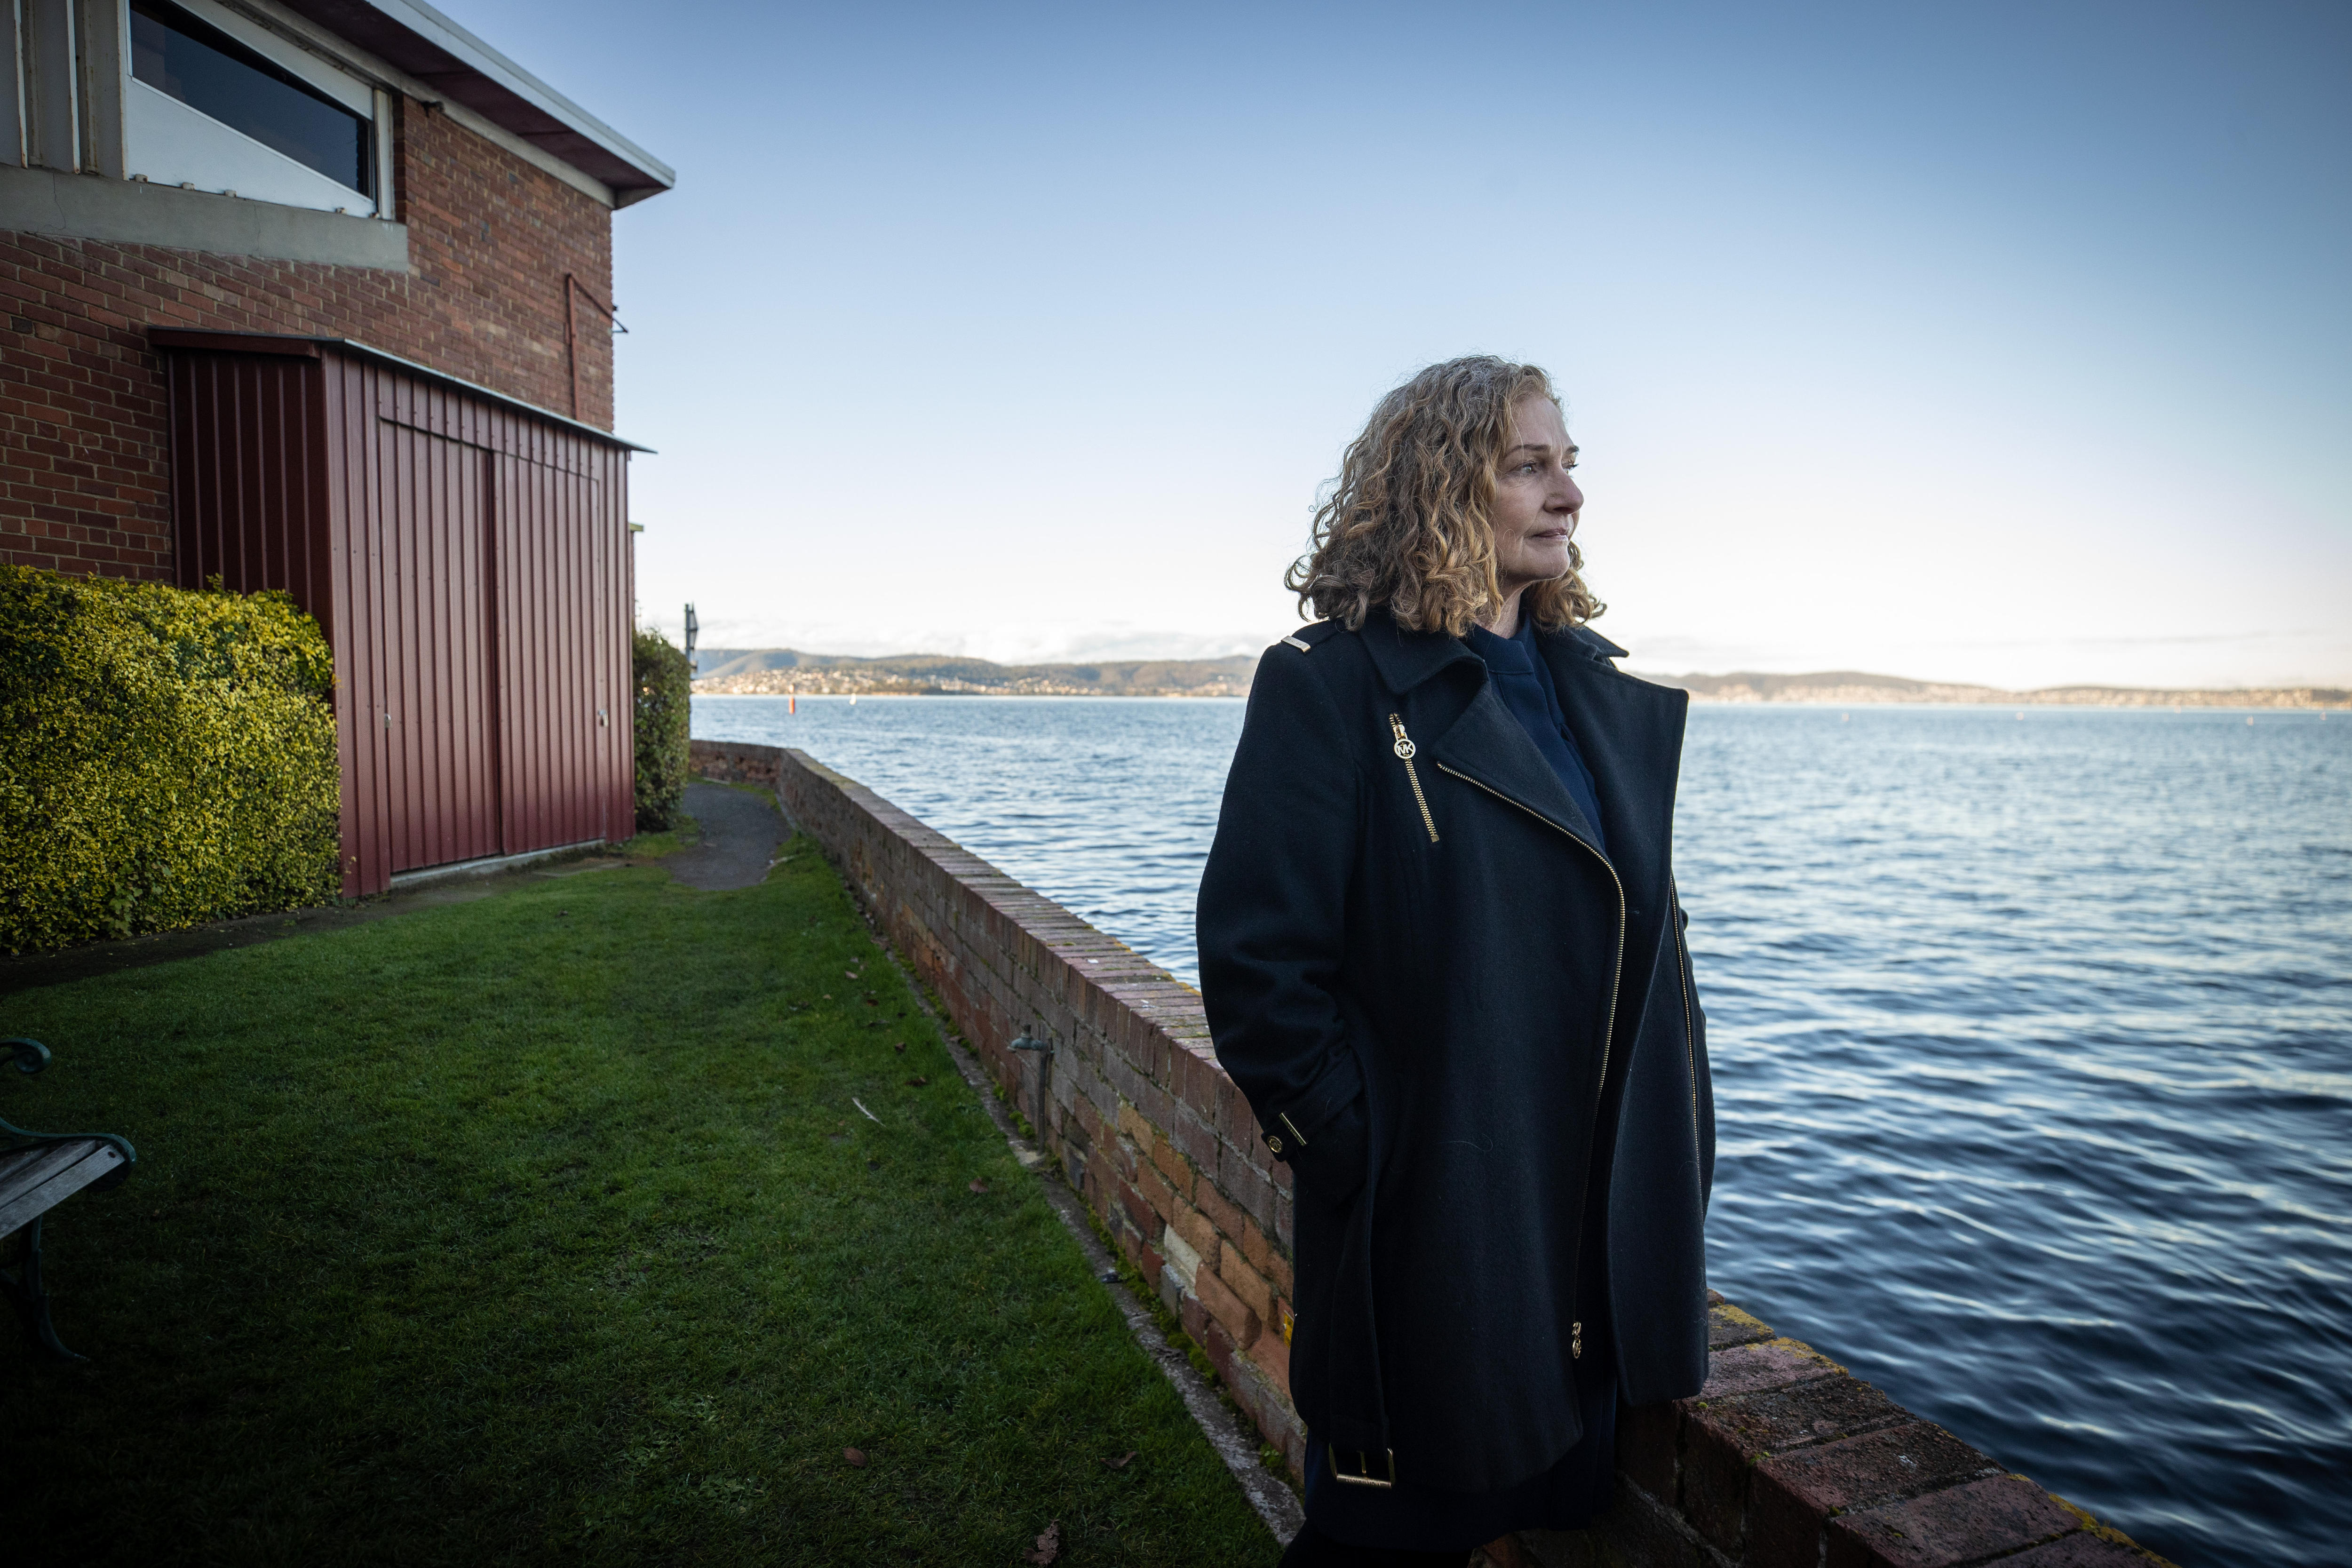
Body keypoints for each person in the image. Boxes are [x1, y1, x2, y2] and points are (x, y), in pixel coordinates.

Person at [1196, 357, 1715, 1567]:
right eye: (1529, 466)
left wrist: (1678, 1142)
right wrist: (1378, 1159)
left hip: (1587, 1230)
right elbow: (1259, 969)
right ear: (1440, 484)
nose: (1569, 493)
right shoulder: (1331, 685)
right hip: (1439, 1231)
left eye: (1568, 464)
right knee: (1383, 1541)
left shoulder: (1595, 694)